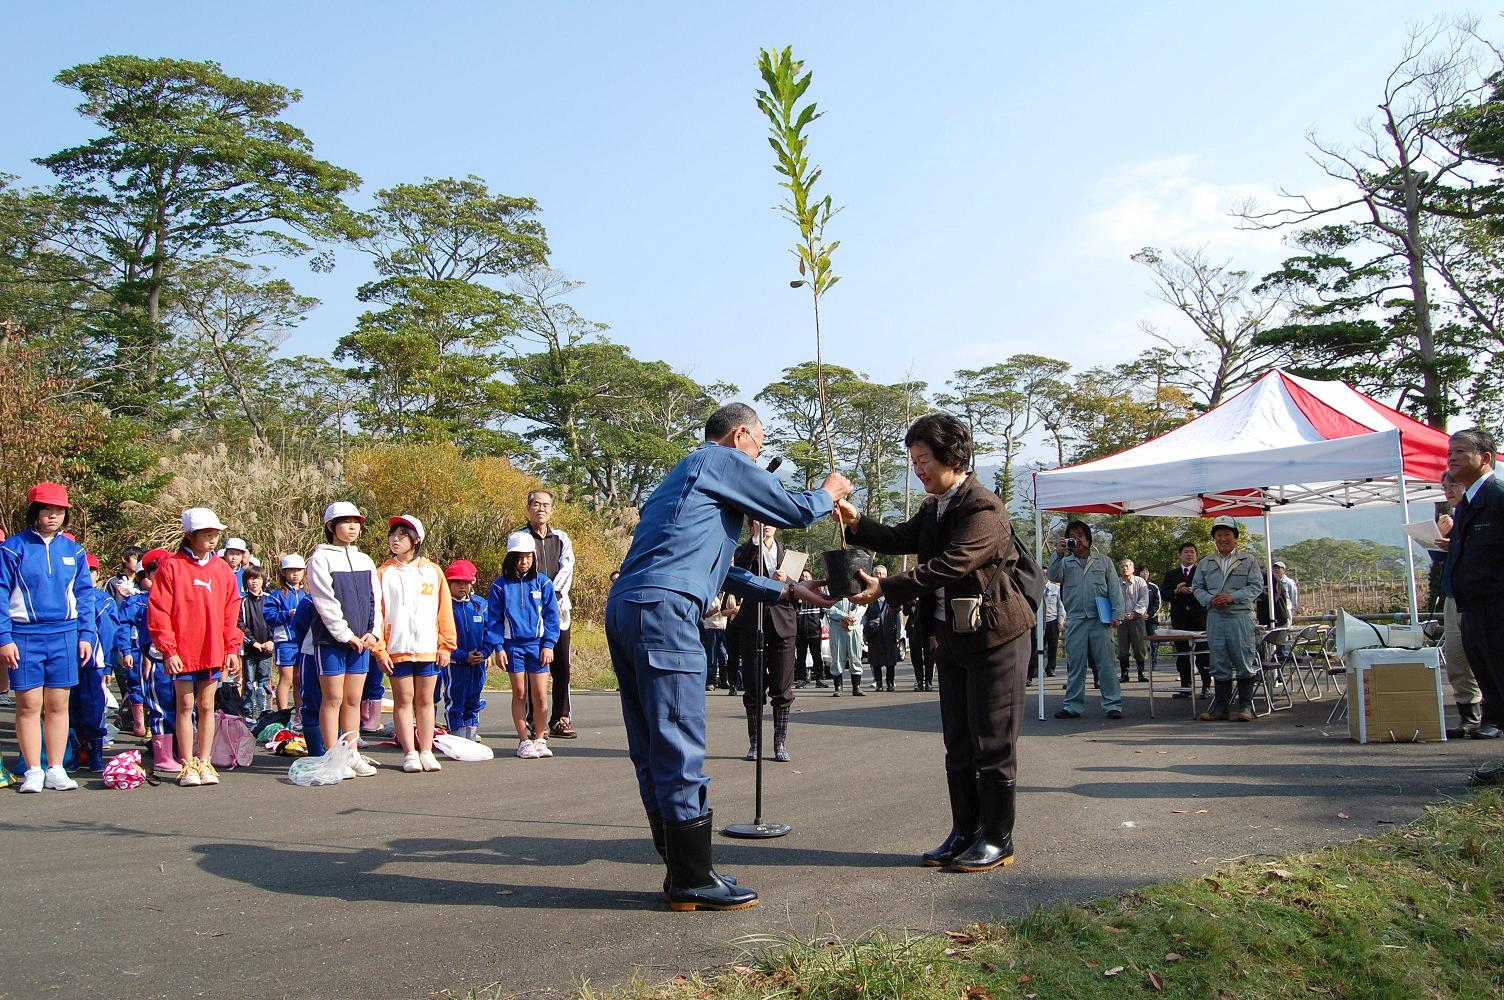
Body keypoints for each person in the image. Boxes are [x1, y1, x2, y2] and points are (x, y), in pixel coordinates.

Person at [606, 401, 847, 911]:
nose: (758, 460)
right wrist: (829, 493)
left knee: (651, 743)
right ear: (741, 436)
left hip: (631, 604)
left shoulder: (680, 479)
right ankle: (692, 878)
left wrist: (786, 592)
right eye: (759, 448)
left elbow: (715, 569)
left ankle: (684, 871)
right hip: (665, 611)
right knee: (678, 738)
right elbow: (794, 510)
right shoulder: (721, 461)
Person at [836, 411, 1034, 872]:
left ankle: (997, 838)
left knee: (993, 743)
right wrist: (857, 520)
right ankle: (964, 832)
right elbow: (898, 537)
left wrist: (887, 587)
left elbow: (952, 564)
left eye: (923, 459)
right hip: (953, 638)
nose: (918, 469)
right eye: (914, 460)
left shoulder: (984, 508)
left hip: (996, 638)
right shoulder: (935, 507)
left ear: (953, 456)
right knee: (958, 742)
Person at [0, 483, 96, 792]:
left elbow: (85, 595)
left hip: (65, 635)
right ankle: (33, 769)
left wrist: (86, 634)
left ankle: (56, 768)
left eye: (59, 510)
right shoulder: (13, 548)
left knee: (58, 704)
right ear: (34, 512)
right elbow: (1, 594)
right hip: (24, 635)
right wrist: (4, 637)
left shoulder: (74, 550)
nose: (53, 515)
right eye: (46, 509)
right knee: (28, 704)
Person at [148, 508, 245, 787]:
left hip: (213, 649)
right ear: (190, 535)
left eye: (215, 533)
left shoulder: (222, 569)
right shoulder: (171, 566)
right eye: (206, 533)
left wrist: (230, 648)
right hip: (183, 651)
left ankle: (205, 761)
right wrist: (169, 650)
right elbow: (159, 611)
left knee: (206, 705)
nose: (213, 538)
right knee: (185, 705)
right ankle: (187, 762)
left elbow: (231, 611)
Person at [306, 501, 385, 777]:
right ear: (331, 526)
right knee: (333, 698)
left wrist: (373, 632)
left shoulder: (365, 560)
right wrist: (345, 634)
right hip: (331, 642)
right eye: (346, 521)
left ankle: (351, 752)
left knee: (353, 699)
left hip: (361, 642)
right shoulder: (320, 559)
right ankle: (333, 756)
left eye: (356, 522)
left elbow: (376, 598)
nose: (352, 527)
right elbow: (325, 602)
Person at [1439, 428, 1504, 740]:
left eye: (1461, 451)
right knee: (1485, 672)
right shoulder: (1467, 503)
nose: (1452, 458)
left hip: (1495, 603)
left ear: (1486, 458)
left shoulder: (1497, 495)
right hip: (1471, 603)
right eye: (1450, 452)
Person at [379, 515, 456, 773]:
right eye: (393, 535)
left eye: (402, 535)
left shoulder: (433, 572)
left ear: (416, 540)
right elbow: (376, 614)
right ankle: (409, 752)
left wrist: (445, 645)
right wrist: (380, 649)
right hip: (396, 649)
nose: (396, 539)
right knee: (403, 700)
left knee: (425, 701)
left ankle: (426, 750)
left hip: (427, 649)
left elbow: (444, 611)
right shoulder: (383, 573)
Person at [728, 522, 799, 761]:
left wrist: (787, 581)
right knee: (754, 686)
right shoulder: (744, 550)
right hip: (752, 622)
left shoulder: (789, 553)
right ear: (751, 525)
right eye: (760, 521)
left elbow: (799, 589)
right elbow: (740, 569)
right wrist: (755, 542)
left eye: (770, 523)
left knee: (782, 686)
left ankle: (780, 743)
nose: (766, 526)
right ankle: (755, 743)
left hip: (783, 624)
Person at [487, 533, 560, 760]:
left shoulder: (543, 583)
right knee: (519, 692)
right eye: (519, 557)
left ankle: (539, 737)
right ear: (511, 558)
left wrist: (548, 645)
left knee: (540, 695)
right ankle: (523, 740)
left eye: (528, 557)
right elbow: (494, 619)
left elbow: (551, 617)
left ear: (534, 557)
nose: (524, 562)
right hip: (512, 646)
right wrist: (498, 647)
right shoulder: (500, 586)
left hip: (538, 646)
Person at [1048, 521, 1123, 720]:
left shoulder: (1103, 561)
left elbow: (1115, 589)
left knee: (1106, 664)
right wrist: (1059, 553)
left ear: (1088, 539)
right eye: (1073, 536)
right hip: (1076, 619)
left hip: (1101, 620)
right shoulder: (1064, 562)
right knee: (1075, 664)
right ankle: (1072, 706)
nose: (1077, 539)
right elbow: (1052, 576)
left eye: (1080, 535)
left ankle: (1113, 704)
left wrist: (1117, 615)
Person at [520, 489, 579, 742]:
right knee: (534, 665)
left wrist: (553, 594)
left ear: (552, 510)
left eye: (546, 505)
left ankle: (561, 717)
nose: (541, 509)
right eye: (536, 504)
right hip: (529, 612)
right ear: (528, 508)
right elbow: (518, 568)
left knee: (561, 666)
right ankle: (535, 720)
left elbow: (568, 567)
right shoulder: (519, 538)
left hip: (558, 608)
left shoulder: (561, 538)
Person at [1193, 515, 1264, 722]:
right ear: (1214, 538)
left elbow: (1256, 586)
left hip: (1240, 616)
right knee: (1219, 661)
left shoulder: (1248, 560)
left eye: (1227, 535)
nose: (1223, 539)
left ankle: (1245, 707)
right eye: (1219, 535)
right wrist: (1210, 600)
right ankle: (1221, 708)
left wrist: (1232, 597)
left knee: (1243, 659)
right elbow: (1197, 588)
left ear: (1235, 537)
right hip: (1215, 617)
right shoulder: (1206, 562)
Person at [1436, 471, 1483, 737]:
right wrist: (1440, 538)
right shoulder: (1453, 519)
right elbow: (1439, 557)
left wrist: (1453, 543)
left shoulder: (1481, 513)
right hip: (1453, 595)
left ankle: (1492, 715)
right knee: (1455, 656)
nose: (1448, 490)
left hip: (1478, 597)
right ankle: (1468, 715)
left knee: (1482, 655)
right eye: (1444, 487)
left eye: (1452, 484)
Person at [72, 553, 118, 770]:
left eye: (92, 570)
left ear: (98, 574)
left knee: (93, 709)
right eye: (85, 569)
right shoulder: (65, 596)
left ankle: (95, 753)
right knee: (70, 710)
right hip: (66, 664)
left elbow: (109, 634)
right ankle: (73, 752)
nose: (88, 574)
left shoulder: (103, 600)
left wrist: (108, 664)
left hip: (93, 665)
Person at [443, 559, 490, 740]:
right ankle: (457, 736)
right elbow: (440, 636)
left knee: (473, 698)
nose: (462, 586)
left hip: (478, 662)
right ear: (449, 583)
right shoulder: (444, 605)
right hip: (455, 662)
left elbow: (490, 630)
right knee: (455, 699)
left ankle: (470, 735)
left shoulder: (480, 604)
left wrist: (485, 653)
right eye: (457, 582)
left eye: (466, 582)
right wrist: (462, 656)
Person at [1163, 542, 1210, 699]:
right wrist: (1176, 591)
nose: (1189, 555)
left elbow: (1210, 591)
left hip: (1200, 619)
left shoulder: (1203, 573)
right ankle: (1186, 687)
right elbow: (1164, 594)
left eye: (1192, 552)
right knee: (1182, 655)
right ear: (1180, 555)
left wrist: (1194, 590)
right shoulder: (1171, 574)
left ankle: (1206, 686)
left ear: (1196, 555)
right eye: (1186, 552)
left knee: (1203, 654)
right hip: (1180, 619)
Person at [264, 555, 308, 713]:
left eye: (299, 570)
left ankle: (299, 713)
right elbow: (269, 616)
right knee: (287, 678)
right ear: (284, 573)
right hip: (285, 641)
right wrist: (286, 614)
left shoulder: (308, 593)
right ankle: (282, 713)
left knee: (299, 680)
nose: (295, 574)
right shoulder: (277, 595)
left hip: (304, 642)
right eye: (291, 571)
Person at [239, 565, 275, 717]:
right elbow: (240, 625)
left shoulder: (270, 599)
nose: (254, 582)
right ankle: (247, 710)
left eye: (258, 578)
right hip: (250, 648)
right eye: (251, 578)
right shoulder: (243, 602)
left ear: (263, 581)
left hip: (267, 647)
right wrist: (253, 642)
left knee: (264, 679)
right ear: (246, 581)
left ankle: (264, 710)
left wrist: (271, 641)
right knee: (248, 681)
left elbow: (274, 621)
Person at [863, 566, 902, 692]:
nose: (880, 576)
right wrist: (864, 633)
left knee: (891, 659)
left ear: (887, 576)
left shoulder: (892, 593)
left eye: (883, 574)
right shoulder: (868, 594)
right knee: (875, 659)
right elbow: (865, 616)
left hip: (890, 630)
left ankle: (890, 682)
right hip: (874, 632)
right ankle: (878, 683)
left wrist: (898, 633)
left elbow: (898, 615)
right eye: (877, 574)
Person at [1117, 559, 1149, 683]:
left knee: (1139, 646)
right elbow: (1112, 599)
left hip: (1137, 618)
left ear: (1133, 569)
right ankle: (1124, 673)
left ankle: (1141, 672)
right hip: (1121, 619)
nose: (1124, 568)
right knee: (1122, 647)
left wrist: (1135, 613)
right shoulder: (1116, 583)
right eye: (1122, 566)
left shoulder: (1140, 582)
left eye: (1127, 566)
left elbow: (1144, 599)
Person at [827, 595, 864, 698]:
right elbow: (826, 606)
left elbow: (863, 604)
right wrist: (843, 616)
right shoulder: (832, 589)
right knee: (837, 657)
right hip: (837, 626)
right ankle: (838, 687)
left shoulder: (858, 587)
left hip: (854, 625)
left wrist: (851, 617)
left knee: (855, 656)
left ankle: (856, 687)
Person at [793, 571, 823, 688]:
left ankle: (820, 678)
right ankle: (801, 679)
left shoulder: (818, 594)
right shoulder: (796, 595)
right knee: (800, 656)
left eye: (807, 577)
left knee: (817, 655)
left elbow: (823, 611)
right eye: (803, 577)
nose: (804, 578)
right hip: (800, 631)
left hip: (814, 630)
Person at [700, 592, 731, 693]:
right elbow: (703, 614)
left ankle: (724, 680)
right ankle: (710, 682)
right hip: (711, 628)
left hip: (723, 628)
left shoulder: (727, 595)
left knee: (724, 656)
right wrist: (713, 611)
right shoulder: (709, 595)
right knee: (712, 656)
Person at [1139, 566, 1161, 672]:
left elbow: (1158, 603)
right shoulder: (1135, 585)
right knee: (1139, 642)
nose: (1145, 574)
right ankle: (1141, 665)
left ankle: (1154, 661)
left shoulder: (1153, 587)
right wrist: (1139, 613)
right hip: (1138, 618)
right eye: (1143, 572)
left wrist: (1150, 613)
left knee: (1154, 640)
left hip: (1151, 618)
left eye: (1147, 572)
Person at [1040, 580, 1062, 680]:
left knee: (1053, 646)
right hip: (1040, 621)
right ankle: (1035, 669)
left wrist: (1060, 621)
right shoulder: (1037, 588)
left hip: (1052, 620)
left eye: (1045, 574)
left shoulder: (1056, 589)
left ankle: (1050, 668)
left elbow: (1061, 606)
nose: (1043, 576)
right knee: (1039, 646)